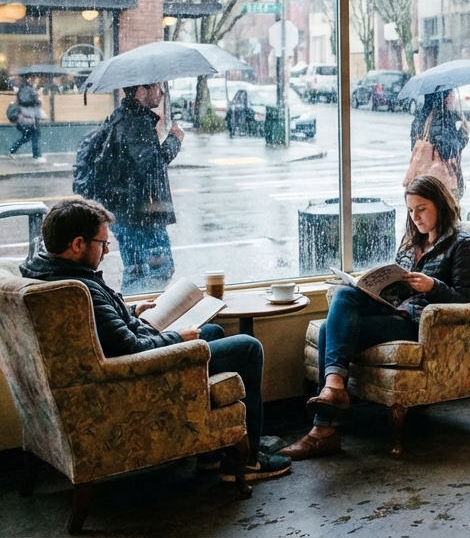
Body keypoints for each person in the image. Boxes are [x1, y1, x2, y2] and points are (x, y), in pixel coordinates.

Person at [21, 198, 291, 481]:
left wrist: (130, 312)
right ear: (77, 244)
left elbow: (98, 327)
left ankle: (212, 453)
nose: (108, 250)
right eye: (102, 243)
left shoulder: (45, 273)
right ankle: (247, 462)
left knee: (213, 332)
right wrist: (177, 338)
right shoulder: (79, 289)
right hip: (133, 377)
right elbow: (131, 348)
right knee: (248, 347)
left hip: (114, 365)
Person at [279, 176, 470, 460]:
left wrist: (432, 286)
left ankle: (324, 430)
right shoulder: (412, 240)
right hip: (392, 311)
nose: (415, 217)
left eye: (422, 209)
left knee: (329, 331)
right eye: (411, 210)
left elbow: (466, 301)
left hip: (418, 324)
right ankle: (333, 391)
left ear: (440, 204)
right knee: (343, 296)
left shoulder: (464, 245)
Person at [84, 82, 184, 294]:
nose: (163, 91)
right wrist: (174, 140)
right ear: (141, 90)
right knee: (160, 270)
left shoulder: (122, 117)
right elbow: (151, 167)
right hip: (142, 214)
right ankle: (140, 317)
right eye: (158, 87)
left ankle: (129, 315)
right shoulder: (136, 122)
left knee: (136, 270)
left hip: (125, 212)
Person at [410, 89, 468, 198]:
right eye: (451, 94)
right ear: (444, 97)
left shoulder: (421, 117)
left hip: (422, 179)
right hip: (441, 183)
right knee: (444, 212)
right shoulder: (443, 118)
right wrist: (463, 134)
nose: (453, 97)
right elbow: (448, 152)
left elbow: (414, 147)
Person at [9, 75, 44, 161]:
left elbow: (20, 102)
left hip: (23, 119)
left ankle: (12, 151)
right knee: (35, 137)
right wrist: (38, 98)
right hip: (31, 118)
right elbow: (36, 103)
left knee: (26, 137)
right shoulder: (31, 91)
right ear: (29, 80)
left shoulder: (21, 90)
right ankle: (37, 156)